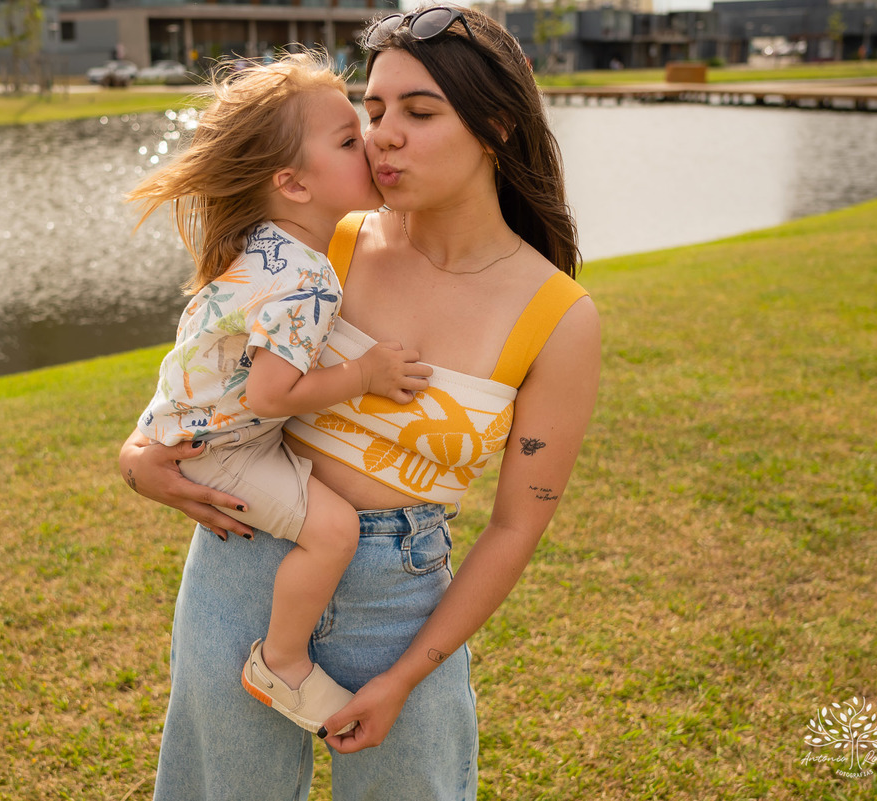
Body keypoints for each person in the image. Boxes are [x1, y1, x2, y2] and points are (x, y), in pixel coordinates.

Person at [119, 6, 601, 798]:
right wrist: (140, 459)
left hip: (400, 603)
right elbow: (200, 374)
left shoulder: (557, 317)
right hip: (244, 571)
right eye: (372, 112)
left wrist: (410, 676)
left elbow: (517, 525)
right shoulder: (322, 241)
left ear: (499, 126)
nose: (383, 136)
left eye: (419, 111)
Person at [126, 53, 432, 736]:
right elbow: (269, 393)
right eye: (350, 139)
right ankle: (282, 659)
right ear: (293, 183)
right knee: (333, 530)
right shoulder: (309, 277)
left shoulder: (265, 246)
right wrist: (364, 375)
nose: (373, 142)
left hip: (187, 425)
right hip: (219, 450)